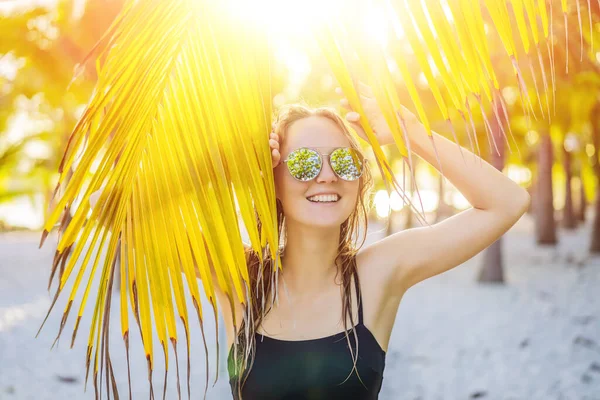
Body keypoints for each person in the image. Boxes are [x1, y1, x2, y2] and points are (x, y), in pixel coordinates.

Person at [89, 86, 530, 400]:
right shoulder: (237, 277)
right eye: (301, 162)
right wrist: (221, 161)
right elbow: (111, 209)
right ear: (274, 181)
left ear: (359, 178)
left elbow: (507, 202)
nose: (326, 175)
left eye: (343, 160)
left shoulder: (379, 273)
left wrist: (411, 131)